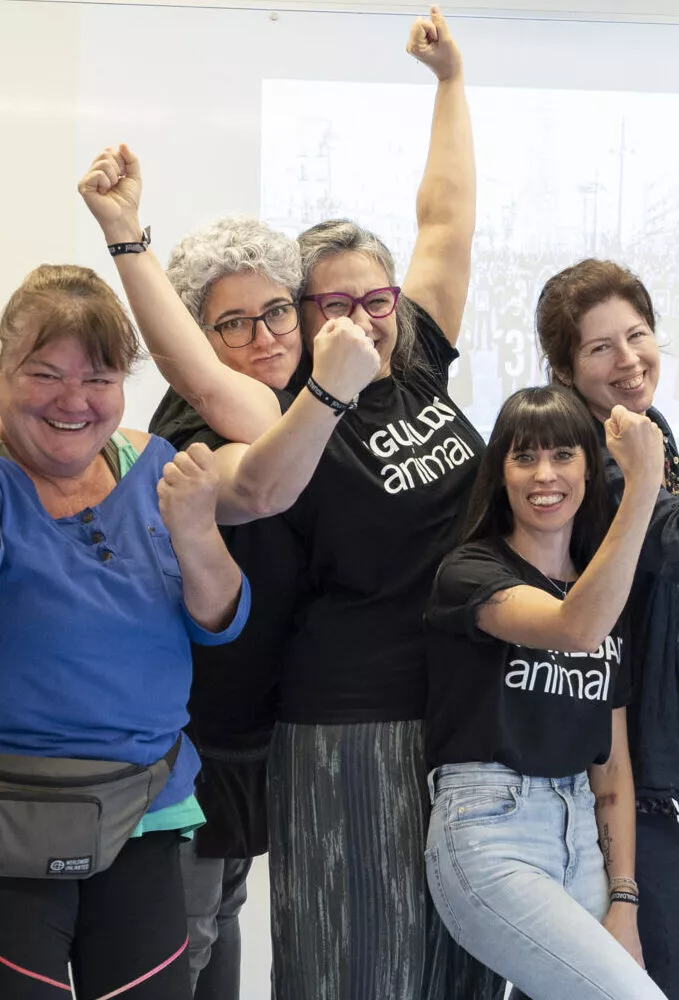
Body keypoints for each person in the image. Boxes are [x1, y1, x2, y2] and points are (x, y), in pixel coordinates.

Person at [80, 9, 503, 999]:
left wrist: (449, 83)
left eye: (375, 299)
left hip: (451, 714)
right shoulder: (279, 408)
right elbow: (199, 357)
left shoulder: (412, 364)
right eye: (329, 303)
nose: (358, 317)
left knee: (450, 966)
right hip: (341, 722)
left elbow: (445, 224)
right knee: (356, 965)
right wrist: (127, 237)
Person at [0, 263, 250, 1000]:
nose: (73, 402)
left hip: (145, 807)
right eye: (44, 374)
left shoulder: (154, 464)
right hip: (13, 812)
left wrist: (198, 530)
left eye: (100, 379)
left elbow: (218, 622)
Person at [535, 258, 679, 1000]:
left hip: (637, 752)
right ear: (566, 370)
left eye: (637, 335)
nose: (629, 361)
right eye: (600, 348)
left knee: (633, 964)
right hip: (589, 760)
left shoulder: (642, 431)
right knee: (674, 956)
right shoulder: (590, 460)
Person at [424, 386, 666, 1000]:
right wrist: (642, 485)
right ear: (499, 472)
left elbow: (610, 771)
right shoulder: (470, 572)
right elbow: (574, 629)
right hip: (490, 827)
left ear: (586, 464)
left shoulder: (602, 590)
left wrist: (624, 900)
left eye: (563, 455)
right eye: (525, 457)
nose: (546, 475)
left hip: (579, 826)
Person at [148, 215, 319, 1000]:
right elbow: (250, 484)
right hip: (193, 741)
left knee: (222, 915)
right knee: (182, 945)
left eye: (278, 310)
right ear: (199, 339)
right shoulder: (189, 427)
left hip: (254, 734)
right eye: (234, 323)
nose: (266, 337)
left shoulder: (303, 402)